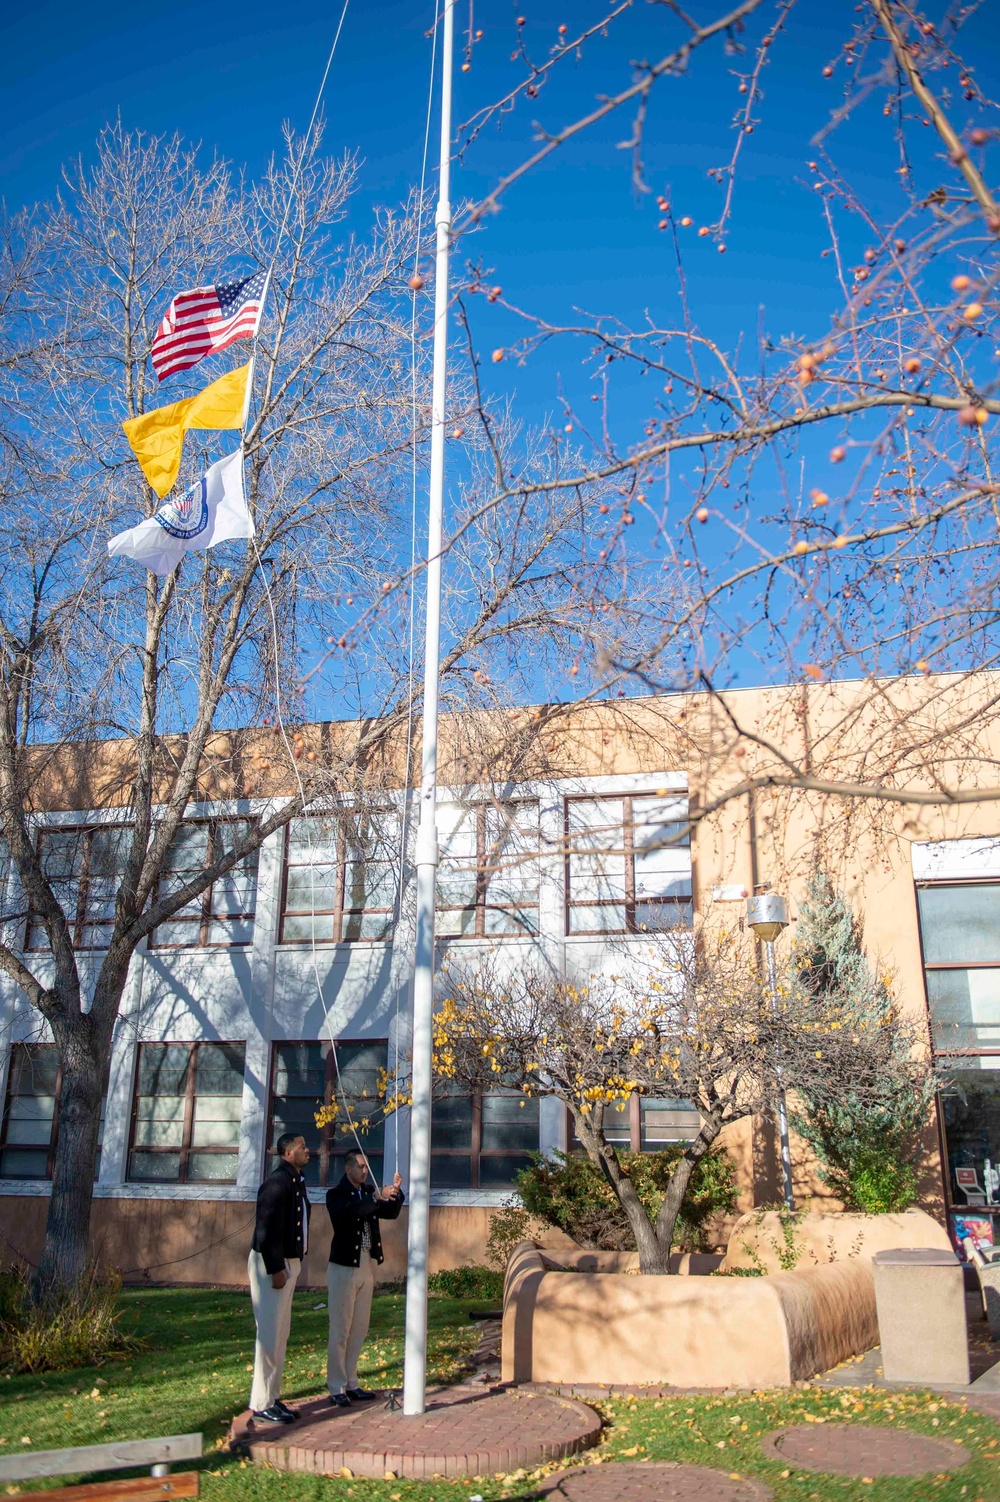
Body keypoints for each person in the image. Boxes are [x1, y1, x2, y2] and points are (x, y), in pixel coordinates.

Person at [325, 1147, 404, 1405]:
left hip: (366, 1264)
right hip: (344, 1266)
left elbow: (389, 1212)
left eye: (366, 1166)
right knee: (341, 1328)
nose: (365, 1170)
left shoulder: (368, 1193)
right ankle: (336, 1386)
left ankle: (351, 1382)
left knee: (359, 1327)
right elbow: (349, 1213)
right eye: (360, 1166)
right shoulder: (336, 1195)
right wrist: (376, 1197)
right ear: (348, 1168)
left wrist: (395, 1193)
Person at [247, 1131, 311, 1423]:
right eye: (302, 1147)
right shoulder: (276, 1183)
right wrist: (275, 1269)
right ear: (288, 1153)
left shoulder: (294, 1181)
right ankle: (261, 1402)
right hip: (273, 1264)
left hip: (289, 1262)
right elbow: (266, 1228)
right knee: (270, 1335)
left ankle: (273, 1396)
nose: (307, 1150)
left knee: (280, 1334)